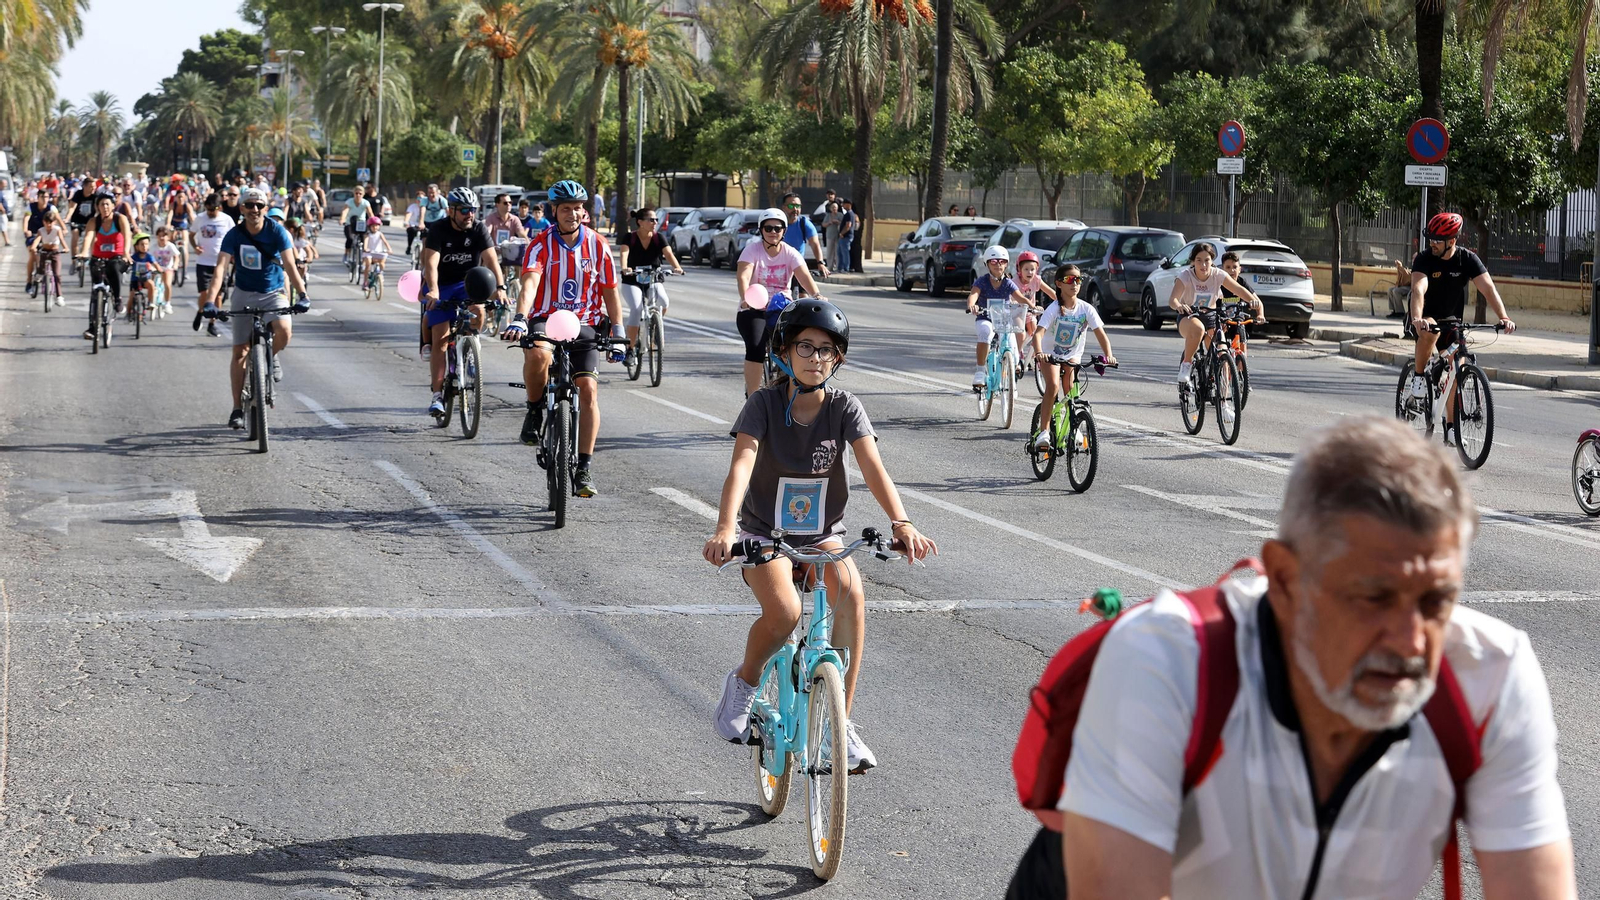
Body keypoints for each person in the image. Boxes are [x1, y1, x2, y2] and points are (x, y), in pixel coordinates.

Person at [1021, 416, 1574, 900]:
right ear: (1284, 580)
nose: (1411, 642)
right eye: (1373, 598)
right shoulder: (1166, 660)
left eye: (1437, 603)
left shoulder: (1490, 678)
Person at [703, 298, 937, 774]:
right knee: (786, 612)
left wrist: (902, 521)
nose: (815, 358)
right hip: (763, 533)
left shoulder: (845, 407)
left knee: (851, 594)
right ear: (784, 353)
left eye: (826, 349)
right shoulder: (763, 403)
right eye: (804, 347)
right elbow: (742, 466)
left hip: (823, 534)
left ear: (839, 358)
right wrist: (726, 529)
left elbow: (873, 466)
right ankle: (744, 684)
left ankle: (840, 723)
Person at [501, 180, 623, 498]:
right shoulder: (540, 244)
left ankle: (583, 467)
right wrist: (519, 318)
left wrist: (620, 332)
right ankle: (534, 409)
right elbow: (529, 284)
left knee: (589, 390)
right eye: (566, 208)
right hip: (546, 318)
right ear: (554, 211)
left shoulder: (598, 245)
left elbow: (611, 292)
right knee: (538, 354)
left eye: (578, 208)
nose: (573, 214)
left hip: (586, 323)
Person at [198, 188, 311, 430]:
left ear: (266, 208)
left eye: (259, 205)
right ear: (242, 209)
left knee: (284, 331)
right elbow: (220, 269)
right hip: (244, 293)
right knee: (239, 351)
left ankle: (272, 356)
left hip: (274, 293)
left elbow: (290, 265)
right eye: (250, 205)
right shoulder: (234, 235)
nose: (255, 210)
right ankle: (237, 408)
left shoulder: (277, 231)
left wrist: (302, 295)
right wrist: (210, 300)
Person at [1404, 213, 1517, 445]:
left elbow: (1488, 288)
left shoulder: (1467, 259)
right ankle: (1417, 378)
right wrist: (1417, 317)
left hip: (1452, 319)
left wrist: (1504, 317)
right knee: (1431, 330)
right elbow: (1418, 289)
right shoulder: (1425, 259)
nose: (1432, 243)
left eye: (1437, 239)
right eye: (1431, 238)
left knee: (1458, 367)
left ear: (1452, 241)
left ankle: (1451, 428)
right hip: (1425, 317)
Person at [419, 187, 508, 417]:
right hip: (441, 285)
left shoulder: (478, 228)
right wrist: (435, 290)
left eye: (473, 210)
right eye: (465, 210)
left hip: (468, 283)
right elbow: (431, 263)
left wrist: (500, 287)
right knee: (440, 337)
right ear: (451, 211)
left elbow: (491, 259)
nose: (470, 214)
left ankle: (470, 350)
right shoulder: (438, 229)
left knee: (478, 312)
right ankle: (437, 395)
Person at [736, 208, 825, 396]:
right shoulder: (751, 250)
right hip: (753, 309)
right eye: (768, 228)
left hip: (781, 309)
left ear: (784, 231)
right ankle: (753, 399)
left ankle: (790, 386)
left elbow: (804, 277)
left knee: (794, 346)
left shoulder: (790, 253)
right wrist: (745, 298)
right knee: (756, 347)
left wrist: (817, 295)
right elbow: (743, 276)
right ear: (761, 230)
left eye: (778, 228)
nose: (773, 232)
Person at [1030, 263, 1114, 451]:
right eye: (1069, 280)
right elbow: (1038, 334)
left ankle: (1074, 428)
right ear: (1059, 284)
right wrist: (1039, 354)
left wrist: (1108, 356)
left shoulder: (1086, 309)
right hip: (1050, 355)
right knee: (1053, 386)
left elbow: (1101, 334)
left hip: (1072, 355)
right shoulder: (1053, 308)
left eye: (1078, 280)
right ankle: (1043, 432)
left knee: (1071, 391)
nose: (1074, 284)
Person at [1169, 241, 1261, 389]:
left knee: (1222, 353)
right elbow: (1172, 300)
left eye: (1207, 260)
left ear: (1212, 261)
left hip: (1211, 318)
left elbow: (1238, 289)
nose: (1203, 265)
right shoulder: (1186, 275)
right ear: (1193, 261)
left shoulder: (1218, 274)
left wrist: (1253, 301)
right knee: (1198, 329)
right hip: (1189, 317)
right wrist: (1179, 305)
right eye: (1199, 260)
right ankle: (1186, 364)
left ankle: (1224, 402)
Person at [617, 207, 684, 359]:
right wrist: (625, 268)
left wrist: (677, 267)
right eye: (651, 220)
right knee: (636, 309)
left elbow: (668, 254)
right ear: (640, 222)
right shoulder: (630, 238)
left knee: (664, 302)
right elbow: (624, 253)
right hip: (632, 280)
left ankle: (655, 327)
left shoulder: (658, 238)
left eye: (656, 220)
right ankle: (630, 349)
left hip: (653, 277)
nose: (655, 222)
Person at [965, 245, 1037, 388]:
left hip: (1004, 321)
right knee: (985, 333)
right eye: (994, 261)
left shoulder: (1007, 282)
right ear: (987, 264)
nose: (998, 264)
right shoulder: (982, 281)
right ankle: (980, 372)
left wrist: (1033, 307)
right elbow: (973, 295)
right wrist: (972, 305)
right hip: (985, 318)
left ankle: (1013, 365)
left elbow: (1020, 297)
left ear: (1006, 264)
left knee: (1012, 342)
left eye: (1002, 261)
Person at [75, 192, 134, 340]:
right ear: (97, 207)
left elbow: (127, 236)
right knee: (95, 290)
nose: (105, 207)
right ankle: (92, 327)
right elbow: (88, 237)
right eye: (102, 204)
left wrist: (126, 253)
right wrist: (83, 252)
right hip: (98, 257)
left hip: (117, 256)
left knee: (114, 268)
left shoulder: (120, 219)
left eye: (108, 204)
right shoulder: (94, 221)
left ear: (113, 206)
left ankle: (118, 299)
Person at [190, 193, 232, 336]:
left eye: (213, 210)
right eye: (208, 209)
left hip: (220, 262)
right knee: (205, 294)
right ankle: (200, 312)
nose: (210, 212)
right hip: (203, 261)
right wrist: (195, 247)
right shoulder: (200, 218)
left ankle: (212, 324)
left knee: (218, 296)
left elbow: (234, 237)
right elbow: (191, 234)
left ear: (219, 208)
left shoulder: (226, 220)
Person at [780, 192, 827, 282]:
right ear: (783, 207)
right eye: (791, 206)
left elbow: (815, 244)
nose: (795, 209)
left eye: (798, 206)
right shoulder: (778, 224)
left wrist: (820, 263)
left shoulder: (804, 223)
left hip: (797, 266)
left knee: (804, 294)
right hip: (778, 267)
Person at [29, 207, 68, 305]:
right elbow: (37, 239)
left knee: (57, 275)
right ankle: (37, 277)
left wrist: (66, 248)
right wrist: (33, 247)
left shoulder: (57, 229)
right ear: (44, 222)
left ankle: (59, 296)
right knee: (41, 271)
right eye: (47, 223)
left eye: (51, 222)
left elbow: (62, 240)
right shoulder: (41, 230)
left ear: (54, 222)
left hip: (55, 252)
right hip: (44, 251)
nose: (49, 225)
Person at [1217, 251, 1268, 322]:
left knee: (1240, 326)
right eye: (1228, 267)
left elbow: (1258, 302)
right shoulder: (1218, 283)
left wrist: (1260, 315)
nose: (1232, 270)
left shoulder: (1241, 282)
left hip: (1238, 317)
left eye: (1235, 267)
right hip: (1221, 318)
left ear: (1239, 269)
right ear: (1222, 269)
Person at [151, 226, 180, 316]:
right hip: (156, 268)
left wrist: (175, 265)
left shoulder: (170, 246)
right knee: (151, 283)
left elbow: (176, 257)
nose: (162, 238)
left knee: (167, 284)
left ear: (168, 237)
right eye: (159, 236)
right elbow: (149, 258)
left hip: (167, 268)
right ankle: (151, 300)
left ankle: (167, 303)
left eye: (164, 236)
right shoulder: (154, 247)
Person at [359, 215, 392, 290]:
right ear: (369, 227)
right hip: (369, 253)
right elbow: (366, 242)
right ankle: (365, 282)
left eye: (377, 226)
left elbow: (385, 242)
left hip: (378, 252)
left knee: (382, 262)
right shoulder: (367, 235)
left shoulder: (380, 234)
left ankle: (380, 273)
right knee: (368, 263)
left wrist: (389, 249)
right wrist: (365, 248)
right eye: (373, 226)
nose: (375, 227)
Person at [836, 199, 858, 274]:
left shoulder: (849, 214)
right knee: (840, 252)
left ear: (849, 204)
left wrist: (842, 233)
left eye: (844, 204)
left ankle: (846, 268)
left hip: (846, 237)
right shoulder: (848, 214)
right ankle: (840, 267)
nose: (842, 206)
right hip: (844, 237)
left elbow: (848, 225)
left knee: (844, 252)